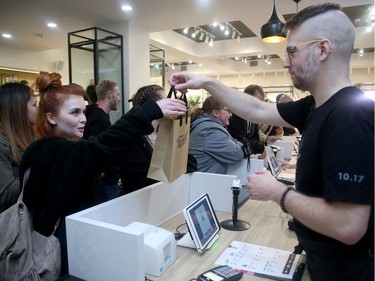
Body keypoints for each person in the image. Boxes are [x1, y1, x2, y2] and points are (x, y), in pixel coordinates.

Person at [168, 3, 374, 281]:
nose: (286, 62)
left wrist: (278, 192)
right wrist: (206, 82)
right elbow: (256, 110)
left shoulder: (350, 116)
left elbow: (349, 226)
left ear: (323, 49)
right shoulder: (315, 106)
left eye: (292, 50)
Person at [19, 71, 187, 276]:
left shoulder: (67, 147)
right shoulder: (50, 151)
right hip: (63, 257)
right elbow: (102, 147)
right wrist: (148, 111)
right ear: (51, 117)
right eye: (74, 113)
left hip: (77, 249)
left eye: (83, 112)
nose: (83, 119)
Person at [120, 84, 197, 194]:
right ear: (154, 106)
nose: (172, 104)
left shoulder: (166, 133)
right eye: (167, 101)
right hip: (138, 202)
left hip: (163, 198)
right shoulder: (133, 139)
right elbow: (144, 179)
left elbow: (191, 163)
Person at [189, 95, 251, 174]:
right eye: (228, 111)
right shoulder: (210, 130)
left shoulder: (209, 126)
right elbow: (237, 154)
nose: (231, 115)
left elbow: (233, 141)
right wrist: (243, 149)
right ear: (216, 112)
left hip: (207, 180)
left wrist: (239, 146)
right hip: (206, 183)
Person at [0, 82, 37, 213]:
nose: (37, 109)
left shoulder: (30, 135)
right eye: (34, 105)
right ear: (19, 109)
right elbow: (6, 194)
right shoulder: (2, 143)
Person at [83, 80, 121, 200]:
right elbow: (97, 153)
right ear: (110, 94)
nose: (119, 99)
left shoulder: (100, 117)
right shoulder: (99, 120)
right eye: (118, 94)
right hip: (107, 184)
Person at [227, 84, 266, 159]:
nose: (259, 106)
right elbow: (239, 140)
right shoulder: (235, 114)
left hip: (247, 156)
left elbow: (256, 138)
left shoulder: (254, 115)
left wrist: (253, 144)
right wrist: (258, 146)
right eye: (257, 102)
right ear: (246, 98)